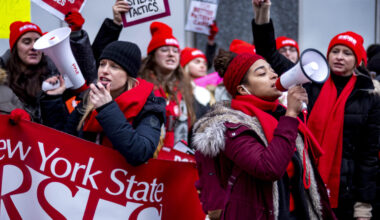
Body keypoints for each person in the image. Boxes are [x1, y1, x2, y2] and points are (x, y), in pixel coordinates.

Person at [251, 1, 380, 219]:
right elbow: (269, 53)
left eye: (347, 53)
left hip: (345, 195)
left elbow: (368, 157)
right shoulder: (311, 81)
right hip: (305, 184)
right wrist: (262, 13)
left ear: (357, 60)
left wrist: (363, 206)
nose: (339, 57)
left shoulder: (369, 96)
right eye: (335, 51)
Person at [192, 50, 335, 219]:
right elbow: (268, 168)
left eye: (272, 70)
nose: (274, 75)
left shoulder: (278, 115)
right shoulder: (230, 126)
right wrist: (290, 115)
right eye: (262, 73)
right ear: (243, 89)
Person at [41, 41, 166, 166]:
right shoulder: (89, 98)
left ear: (129, 75)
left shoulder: (149, 107)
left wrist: (107, 108)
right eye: (102, 64)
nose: (104, 71)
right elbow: (63, 142)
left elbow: (140, 153)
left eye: (114, 66)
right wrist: (53, 99)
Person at [0, 17, 96, 122]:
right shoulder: (2, 82)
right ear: (15, 49)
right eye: (27, 42)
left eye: (37, 42)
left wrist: (77, 36)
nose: (34, 47)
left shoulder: (57, 78)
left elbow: (88, 79)